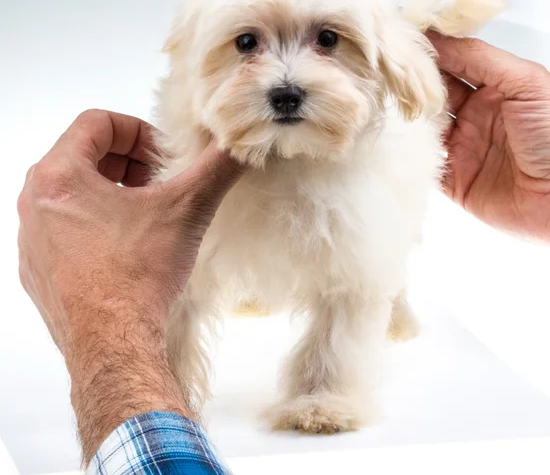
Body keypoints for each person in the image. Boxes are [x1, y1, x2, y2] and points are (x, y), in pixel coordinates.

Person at [17, 36, 550, 474]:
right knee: (201, 277)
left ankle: (329, 381)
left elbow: (360, 281)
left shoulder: (388, 153)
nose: (286, 77)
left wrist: (105, 332)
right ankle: (182, 373)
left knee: (365, 269)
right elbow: (186, 287)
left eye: (327, 40)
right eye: (248, 43)